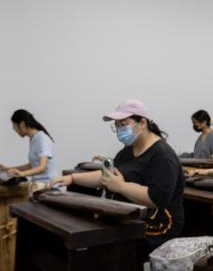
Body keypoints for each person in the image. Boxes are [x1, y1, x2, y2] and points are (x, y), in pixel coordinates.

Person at [50, 99, 184, 258]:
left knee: (104, 248)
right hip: (133, 217)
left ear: (142, 123)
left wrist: (121, 187)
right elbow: (108, 176)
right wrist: (72, 178)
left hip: (158, 227)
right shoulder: (128, 150)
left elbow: (157, 199)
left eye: (124, 124)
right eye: (117, 125)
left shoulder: (162, 156)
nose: (120, 130)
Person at [0, 109, 61, 193]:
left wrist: (22, 174)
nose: (15, 130)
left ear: (22, 124)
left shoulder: (42, 139)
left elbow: (42, 167)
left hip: (49, 188)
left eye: (15, 127)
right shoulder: (33, 139)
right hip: (39, 187)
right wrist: (7, 168)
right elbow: (32, 165)